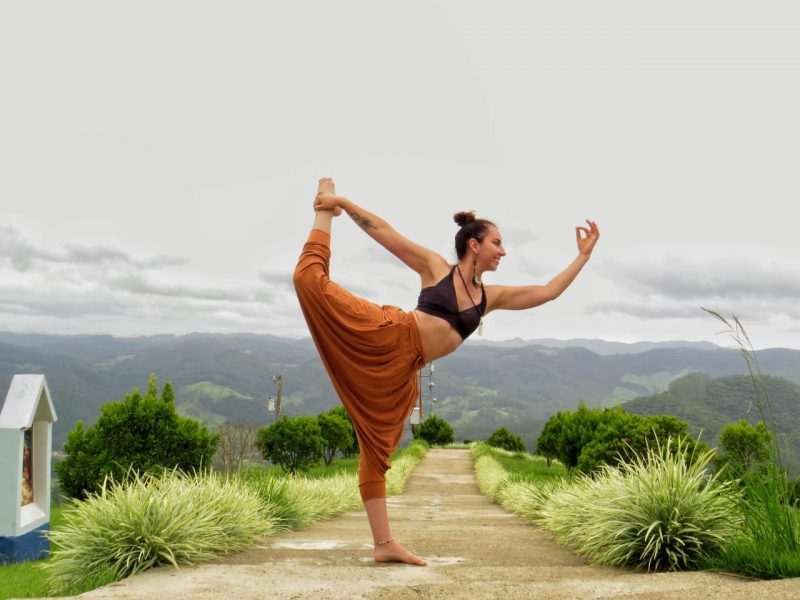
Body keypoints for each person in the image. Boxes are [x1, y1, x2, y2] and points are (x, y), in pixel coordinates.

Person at [293, 177, 599, 566]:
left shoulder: (490, 297)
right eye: (497, 243)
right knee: (309, 281)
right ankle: (323, 214)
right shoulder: (437, 269)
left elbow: (548, 290)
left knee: (376, 450)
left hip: (405, 372)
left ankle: (384, 544)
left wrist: (583, 256)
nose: (503, 251)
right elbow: (385, 232)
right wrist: (341, 203)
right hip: (388, 334)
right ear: (475, 244)